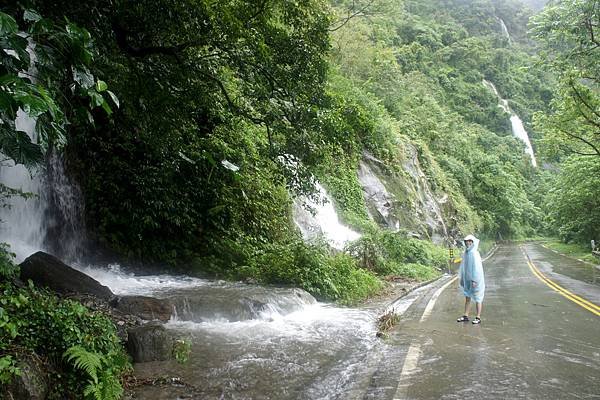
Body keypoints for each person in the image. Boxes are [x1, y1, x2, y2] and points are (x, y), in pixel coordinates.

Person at [456, 234, 485, 324]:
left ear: (472, 242)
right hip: (467, 279)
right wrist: (461, 278)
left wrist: (475, 280)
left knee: (478, 298)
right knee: (467, 297)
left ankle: (478, 317)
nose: (467, 243)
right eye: (466, 241)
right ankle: (466, 315)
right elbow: (463, 267)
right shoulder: (466, 253)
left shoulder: (475, 253)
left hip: (475, 280)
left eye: (469, 241)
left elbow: (477, 268)